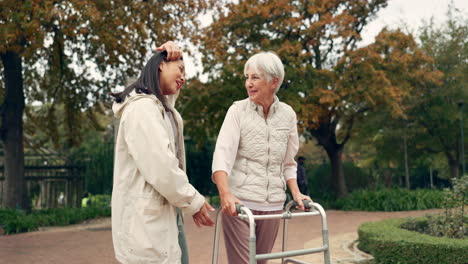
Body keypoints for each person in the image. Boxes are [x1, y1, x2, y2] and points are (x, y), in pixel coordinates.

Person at [111, 41, 214, 264]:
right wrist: (194, 201)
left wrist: (177, 54)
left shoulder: (160, 109)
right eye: (180, 69)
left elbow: (166, 104)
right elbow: (162, 167)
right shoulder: (142, 109)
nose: (184, 78)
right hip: (145, 222)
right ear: (160, 65)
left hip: (162, 215)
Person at [212, 51, 311, 264]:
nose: (248, 83)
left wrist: (296, 192)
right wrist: (225, 194)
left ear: (273, 81)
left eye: (255, 78)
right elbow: (222, 154)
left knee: (260, 261)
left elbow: (288, 162)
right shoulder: (237, 110)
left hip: (273, 206)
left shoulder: (288, 115)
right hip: (240, 204)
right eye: (247, 78)